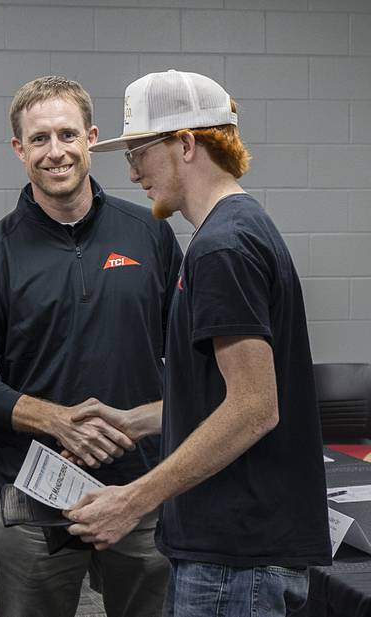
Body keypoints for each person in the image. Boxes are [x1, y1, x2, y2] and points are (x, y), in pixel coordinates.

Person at [66, 70, 332, 615]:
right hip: (233, 553)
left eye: (139, 150)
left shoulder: (222, 248)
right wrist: (133, 419)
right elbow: (225, 396)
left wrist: (131, 500)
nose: (133, 171)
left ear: (186, 143)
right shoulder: (239, 227)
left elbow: (254, 410)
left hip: (236, 561)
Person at [0, 76, 182, 617]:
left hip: (142, 485)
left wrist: (155, 419)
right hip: (35, 492)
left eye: (67, 134)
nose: (56, 152)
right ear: (19, 149)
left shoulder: (150, 233)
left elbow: (188, 352)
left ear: (91, 138)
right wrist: (54, 420)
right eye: (40, 139)